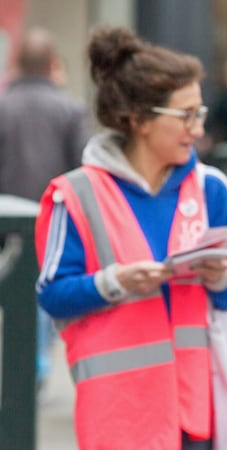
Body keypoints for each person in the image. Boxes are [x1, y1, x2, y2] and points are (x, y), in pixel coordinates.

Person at [34, 27, 227, 450]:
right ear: (139, 119)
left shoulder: (211, 188)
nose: (198, 129)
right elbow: (51, 295)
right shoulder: (74, 195)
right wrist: (114, 282)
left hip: (196, 413)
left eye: (200, 113)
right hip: (118, 414)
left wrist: (221, 276)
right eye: (185, 115)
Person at [0, 27, 89, 393]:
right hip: (53, 219)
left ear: (17, 62)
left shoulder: (2, 106)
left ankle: (21, 364)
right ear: (53, 64)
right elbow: (82, 169)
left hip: (5, 216)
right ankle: (34, 366)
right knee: (39, 293)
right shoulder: (70, 109)